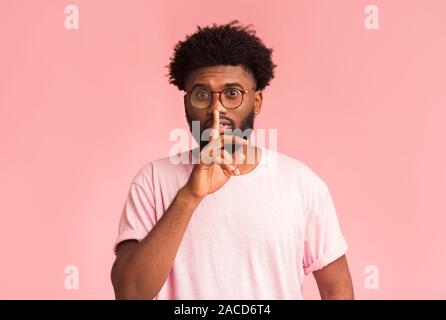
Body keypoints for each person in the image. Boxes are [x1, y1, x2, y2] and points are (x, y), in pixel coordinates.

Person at [111, 21, 354, 300]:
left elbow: (337, 289)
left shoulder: (302, 184)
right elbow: (129, 293)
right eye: (202, 95)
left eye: (232, 94)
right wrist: (189, 196)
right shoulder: (153, 180)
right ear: (186, 103)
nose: (217, 108)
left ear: (257, 101)